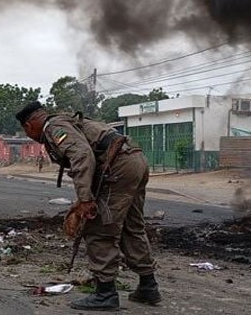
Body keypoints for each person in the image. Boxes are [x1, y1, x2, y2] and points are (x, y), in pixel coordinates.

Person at [15, 101, 160, 311]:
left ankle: (105, 294)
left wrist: (85, 200)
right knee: (132, 226)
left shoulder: (54, 128)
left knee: (99, 228)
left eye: (27, 132)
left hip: (118, 165)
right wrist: (85, 196)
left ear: (29, 126)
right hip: (134, 160)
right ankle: (148, 286)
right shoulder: (66, 121)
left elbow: (82, 155)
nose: (31, 137)